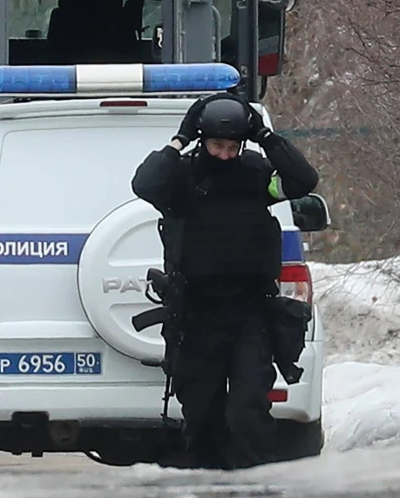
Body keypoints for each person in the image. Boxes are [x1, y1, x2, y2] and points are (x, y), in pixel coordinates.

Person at [130, 92, 320, 469]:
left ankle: (256, 489)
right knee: (202, 414)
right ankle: (206, 491)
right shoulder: (181, 180)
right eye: (217, 145)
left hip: (249, 313)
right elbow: (144, 184)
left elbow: (302, 179)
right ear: (203, 140)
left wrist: (265, 136)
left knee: (249, 408)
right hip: (197, 314)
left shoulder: (257, 177)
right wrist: (179, 139)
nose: (225, 154)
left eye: (233, 146)